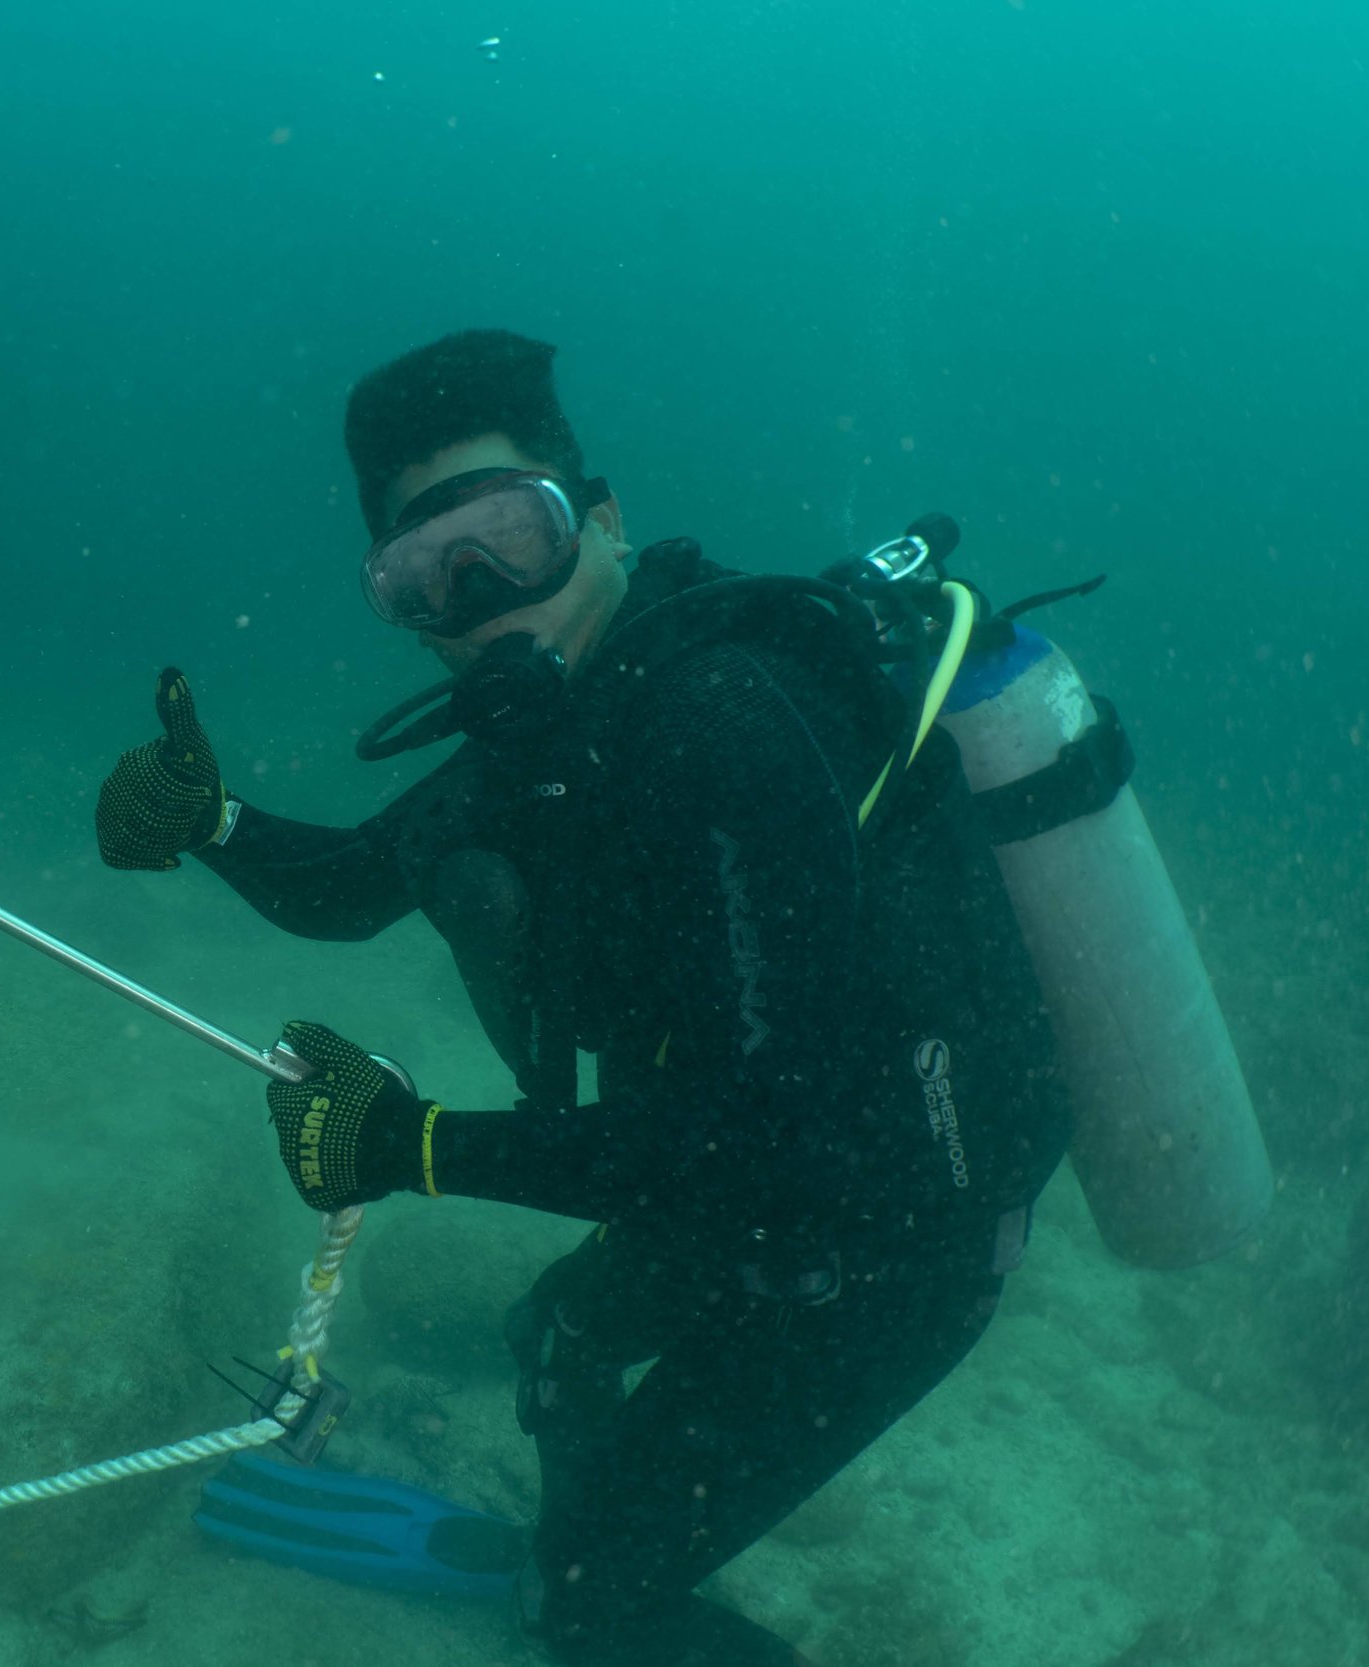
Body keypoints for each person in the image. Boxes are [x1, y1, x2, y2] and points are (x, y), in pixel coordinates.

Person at [97, 329, 1069, 1665]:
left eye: (509, 532)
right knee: (554, 1332)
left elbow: (749, 1144)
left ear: (603, 519)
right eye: (423, 575)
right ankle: (606, 1544)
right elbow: (352, 883)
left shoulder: (718, 717)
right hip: (768, 1197)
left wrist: (415, 1142)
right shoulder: (546, 735)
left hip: (901, 1241)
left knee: (586, 1605)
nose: (484, 593)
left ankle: (590, 1593)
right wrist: (205, 815)